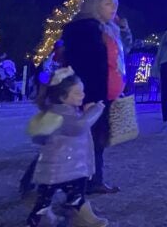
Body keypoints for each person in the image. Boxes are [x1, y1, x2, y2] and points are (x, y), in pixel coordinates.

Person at [61, 0, 132, 195]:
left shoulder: (106, 28)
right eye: (108, 3)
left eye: (115, 3)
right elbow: (86, 67)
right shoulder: (85, 29)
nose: (114, 7)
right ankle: (45, 182)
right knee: (74, 140)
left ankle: (94, 181)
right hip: (90, 94)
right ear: (95, 5)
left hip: (103, 93)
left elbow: (118, 58)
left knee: (95, 139)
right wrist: (89, 97)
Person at [25, 66, 108, 227]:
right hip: (68, 169)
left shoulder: (59, 112)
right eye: (77, 93)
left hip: (57, 170)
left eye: (82, 91)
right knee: (73, 196)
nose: (82, 95)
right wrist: (96, 110)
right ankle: (83, 219)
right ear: (63, 97)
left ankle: (42, 220)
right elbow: (80, 127)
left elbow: (40, 138)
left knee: (53, 199)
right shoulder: (63, 115)